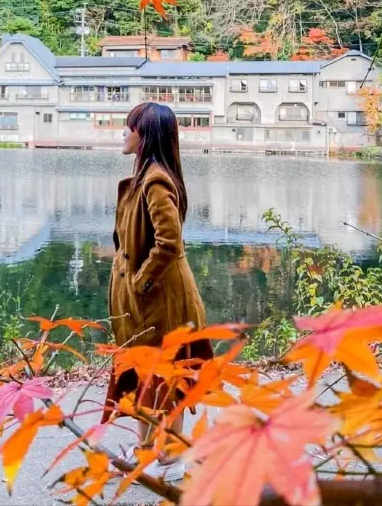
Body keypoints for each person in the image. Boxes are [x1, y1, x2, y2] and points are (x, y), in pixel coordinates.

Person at [103, 102, 212, 479]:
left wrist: (140, 280)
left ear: (145, 136)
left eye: (129, 126)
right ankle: (147, 452)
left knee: (166, 379)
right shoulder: (147, 177)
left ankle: (172, 456)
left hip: (162, 301)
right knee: (142, 377)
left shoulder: (156, 180)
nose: (123, 132)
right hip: (145, 302)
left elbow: (169, 241)